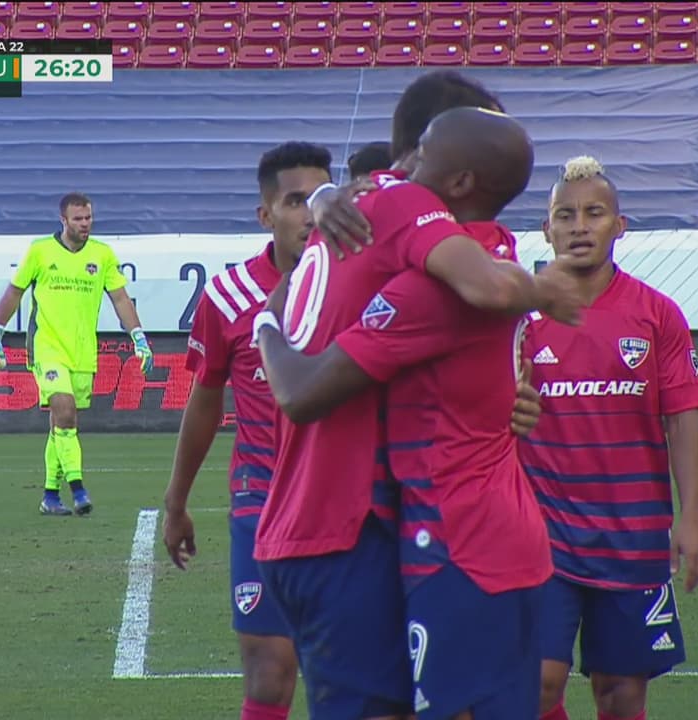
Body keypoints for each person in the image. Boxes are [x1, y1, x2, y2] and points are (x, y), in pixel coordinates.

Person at [249, 107, 581, 720]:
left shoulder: (435, 275)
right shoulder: (461, 249)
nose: (399, 168)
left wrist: (266, 321)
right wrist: (323, 197)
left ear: (457, 181)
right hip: (413, 531)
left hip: (453, 542)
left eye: (420, 153)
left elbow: (301, 392)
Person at [520, 157, 698, 720]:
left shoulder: (657, 315)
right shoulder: (521, 318)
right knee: (536, 683)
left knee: (621, 693)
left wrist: (691, 520)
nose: (580, 226)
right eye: (566, 215)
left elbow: (683, 417)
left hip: (634, 536)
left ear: (619, 226)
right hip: (541, 533)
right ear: (547, 230)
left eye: (594, 213)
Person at [162, 142, 333, 720]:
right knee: (269, 673)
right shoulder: (229, 295)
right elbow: (205, 403)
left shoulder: (363, 287)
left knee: (351, 675)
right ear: (266, 215)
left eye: (320, 198)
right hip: (262, 501)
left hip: (346, 504)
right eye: (295, 201)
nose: (310, 213)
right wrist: (176, 502)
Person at [0, 192, 153, 517]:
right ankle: (78, 488)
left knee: (61, 425)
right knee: (64, 410)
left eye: (88, 217)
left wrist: (138, 337)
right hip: (46, 348)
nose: (85, 224)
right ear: (63, 220)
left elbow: (119, 298)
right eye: (78, 219)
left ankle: (50, 496)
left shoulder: (102, 255)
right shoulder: (40, 251)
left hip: (82, 353)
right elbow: (15, 291)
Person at [308, 70, 507, 259]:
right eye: (487, 149)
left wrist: (321, 195)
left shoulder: (350, 205)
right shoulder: (409, 213)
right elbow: (491, 281)